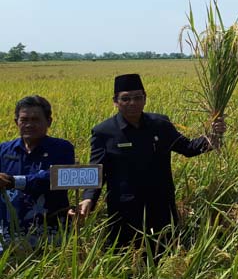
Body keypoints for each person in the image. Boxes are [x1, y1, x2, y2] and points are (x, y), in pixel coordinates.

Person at [74, 74, 226, 252]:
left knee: (164, 253)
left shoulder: (160, 124)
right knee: (125, 255)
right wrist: (87, 199)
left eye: (138, 97)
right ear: (115, 101)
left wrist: (213, 136)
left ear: (145, 98)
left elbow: (188, 148)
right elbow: (97, 171)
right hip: (125, 209)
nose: (132, 103)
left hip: (161, 204)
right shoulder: (104, 132)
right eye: (126, 98)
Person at [0, 95, 75, 254]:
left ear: (49, 122)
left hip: (50, 234)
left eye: (35, 119)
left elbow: (55, 177)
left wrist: (13, 181)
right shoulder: (4, 150)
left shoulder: (62, 148)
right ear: (16, 122)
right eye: (24, 119)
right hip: (10, 234)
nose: (29, 124)